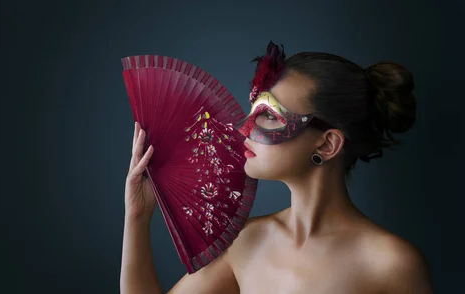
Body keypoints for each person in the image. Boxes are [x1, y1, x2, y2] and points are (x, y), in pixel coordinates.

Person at [120, 42, 433, 294]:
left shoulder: (390, 264)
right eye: (252, 109)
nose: (243, 129)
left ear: (326, 145)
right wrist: (137, 215)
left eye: (269, 116)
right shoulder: (245, 242)